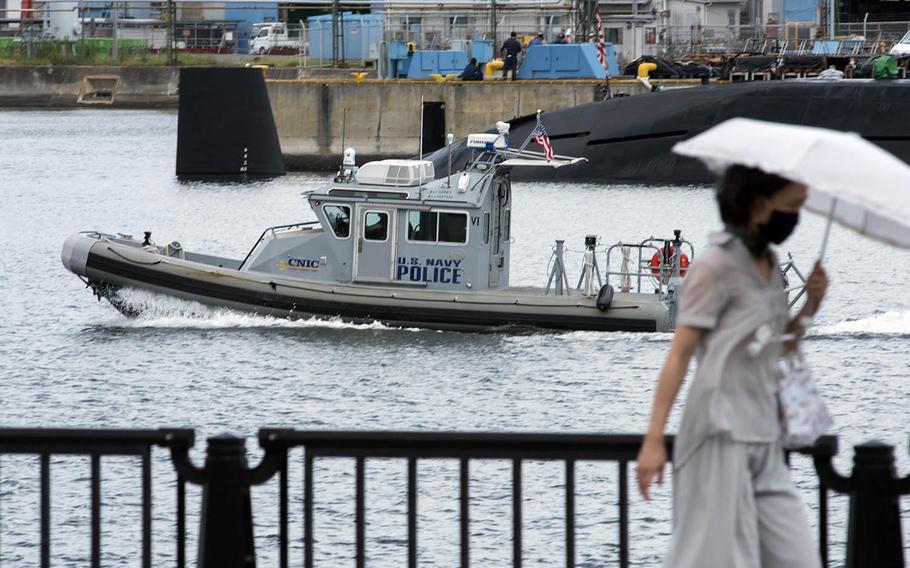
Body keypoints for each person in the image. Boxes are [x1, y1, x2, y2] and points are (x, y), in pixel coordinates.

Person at [636, 165, 829, 568]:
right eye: (792, 205)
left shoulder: (772, 268)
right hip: (718, 431)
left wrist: (811, 304)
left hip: (765, 434)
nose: (795, 217)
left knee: (799, 558)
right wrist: (654, 438)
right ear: (758, 205)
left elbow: (783, 348)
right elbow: (680, 352)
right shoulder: (714, 266)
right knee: (715, 559)